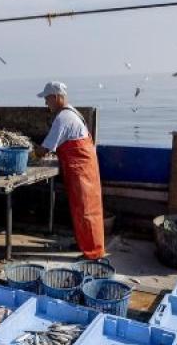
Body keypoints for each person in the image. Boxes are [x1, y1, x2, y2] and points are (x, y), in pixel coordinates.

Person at [33, 81, 105, 259]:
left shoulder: (63, 118)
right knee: (79, 209)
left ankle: (94, 253)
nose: (45, 103)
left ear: (57, 97)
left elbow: (45, 149)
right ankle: (84, 244)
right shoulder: (72, 112)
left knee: (87, 209)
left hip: (82, 169)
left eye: (47, 99)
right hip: (80, 167)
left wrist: (30, 149)